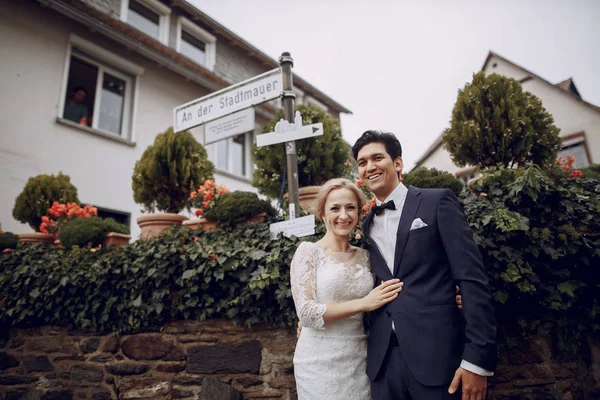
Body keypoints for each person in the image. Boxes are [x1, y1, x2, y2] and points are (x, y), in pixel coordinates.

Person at [352, 130, 497, 400]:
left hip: (438, 356)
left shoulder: (437, 201)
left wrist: (477, 361)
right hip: (383, 366)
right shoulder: (366, 225)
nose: (369, 166)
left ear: (397, 163)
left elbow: (471, 278)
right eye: (362, 162)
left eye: (377, 157)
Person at [290, 178, 404, 399]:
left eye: (350, 207)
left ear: (359, 212)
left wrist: (452, 295)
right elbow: (307, 314)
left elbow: (393, 290)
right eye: (335, 208)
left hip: (358, 357)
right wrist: (363, 303)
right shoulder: (307, 252)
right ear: (322, 213)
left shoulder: (367, 256)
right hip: (317, 362)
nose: (343, 215)